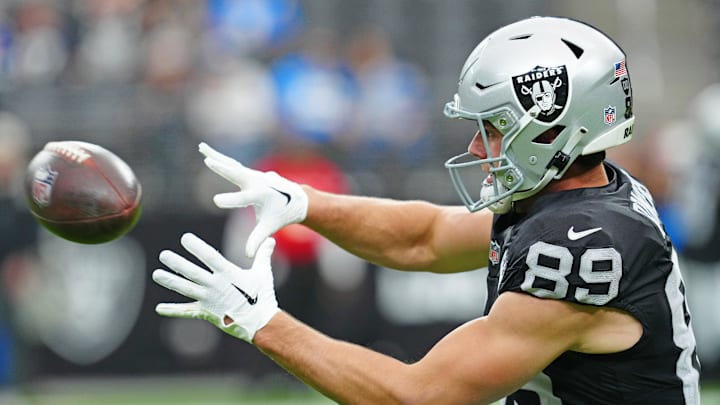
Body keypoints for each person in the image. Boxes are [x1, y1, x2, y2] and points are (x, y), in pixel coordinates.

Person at [152, 16, 701, 404]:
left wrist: (259, 322)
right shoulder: (573, 195)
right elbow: (426, 238)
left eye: (493, 128)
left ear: (553, 129)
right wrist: (302, 202)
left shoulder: (581, 246)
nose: (478, 149)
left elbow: (417, 397)